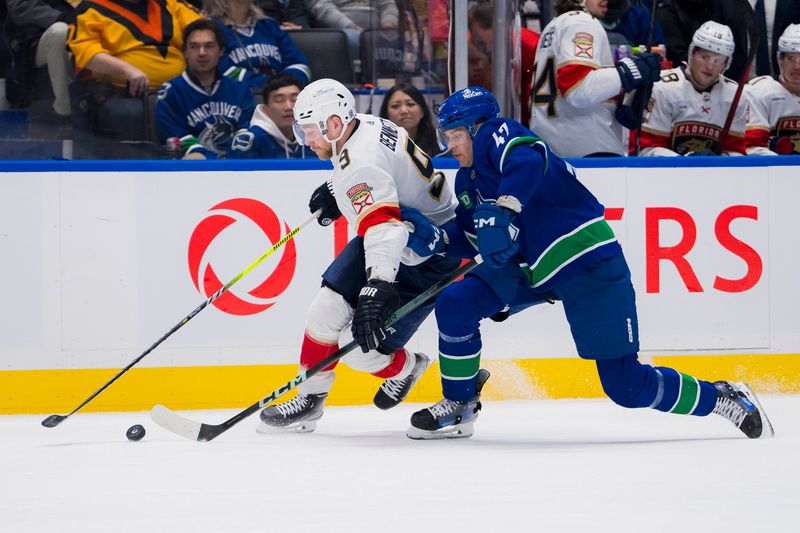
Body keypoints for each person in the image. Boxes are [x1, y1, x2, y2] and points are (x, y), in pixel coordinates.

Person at [400, 85, 774, 441]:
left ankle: (721, 396)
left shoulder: (495, 134)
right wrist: (438, 239)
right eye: (446, 135)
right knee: (456, 303)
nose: (449, 144)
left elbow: (528, 158)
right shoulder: (468, 181)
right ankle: (461, 403)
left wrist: (505, 208)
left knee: (625, 386)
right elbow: (474, 236)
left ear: (475, 127)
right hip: (531, 268)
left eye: (455, 134)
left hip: (585, 259)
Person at [257, 78, 461, 433]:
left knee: (360, 350)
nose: (307, 140)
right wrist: (337, 190)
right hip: (399, 229)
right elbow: (380, 177)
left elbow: (385, 225)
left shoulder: (360, 164)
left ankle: (409, 366)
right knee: (324, 310)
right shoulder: (364, 124)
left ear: (334, 123)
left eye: (310, 130)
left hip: (431, 253)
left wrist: (378, 284)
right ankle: (310, 400)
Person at [67, 0, 202, 154]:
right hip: (123, 93)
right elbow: (86, 55)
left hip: (180, 91)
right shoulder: (90, 8)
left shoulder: (170, 4)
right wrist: (126, 69)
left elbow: (203, 31)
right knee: (135, 114)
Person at [530, 0, 662, 157]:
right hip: (587, 151)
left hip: (554, 146)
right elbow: (577, 88)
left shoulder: (555, 25)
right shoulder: (581, 22)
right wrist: (629, 71)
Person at [639, 21, 746, 156]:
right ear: (691, 54)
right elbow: (648, 149)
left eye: (718, 60)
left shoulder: (735, 95)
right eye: (704, 57)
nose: (710, 66)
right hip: (668, 175)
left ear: (726, 64)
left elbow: (735, 151)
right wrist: (688, 164)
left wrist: (720, 163)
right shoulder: (662, 88)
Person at [156, 17, 256, 159]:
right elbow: (178, 139)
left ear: (221, 51)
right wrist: (214, 163)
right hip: (193, 173)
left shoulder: (240, 90)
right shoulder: (171, 93)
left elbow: (246, 134)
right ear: (185, 52)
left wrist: (232, 162)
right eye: (194, 46)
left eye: (209, 46)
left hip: (236, 169)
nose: (202, 52)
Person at [203, 0, 310, 90]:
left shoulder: (269, 25)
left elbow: (299, 64)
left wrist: (287, 83)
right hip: (238, 102)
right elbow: (222, 71)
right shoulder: (210, 29)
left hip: (280, 100)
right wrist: (271, 86)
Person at [468, 2, 539, 126]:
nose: (488, 49)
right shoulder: (463, 50)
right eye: (480, 43)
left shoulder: (530, 46)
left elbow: (536, 99)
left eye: (492, 42)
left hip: (523, 123)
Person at [4, 0, 77, 117]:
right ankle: (66, 109)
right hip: (35, 38)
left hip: (85, 23)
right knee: (60, 31)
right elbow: (21, 6)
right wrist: (60, 17)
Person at [227, 72, 317, 158]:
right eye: (279, 100)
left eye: (294, 99)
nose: (288, 107)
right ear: (266, 109)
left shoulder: (317, 138)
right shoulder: (251, 141)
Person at [655, 0, 749, 81]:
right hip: (685, 78)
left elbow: (738, 52)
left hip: (725, 77)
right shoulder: (666, 11)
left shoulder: (727, 6)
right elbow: (675, 52)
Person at [744, 23, 800, 155]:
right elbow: (753, 147)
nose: (797, 66)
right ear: (780, 59)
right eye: (791, 58)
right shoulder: (759, 91)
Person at [378, 83, 439, 157]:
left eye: (410, 104)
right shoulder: (377, 148)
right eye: (395, 106)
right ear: (386, 114)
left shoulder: (440, 146)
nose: (404, 111)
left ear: (422, 112)